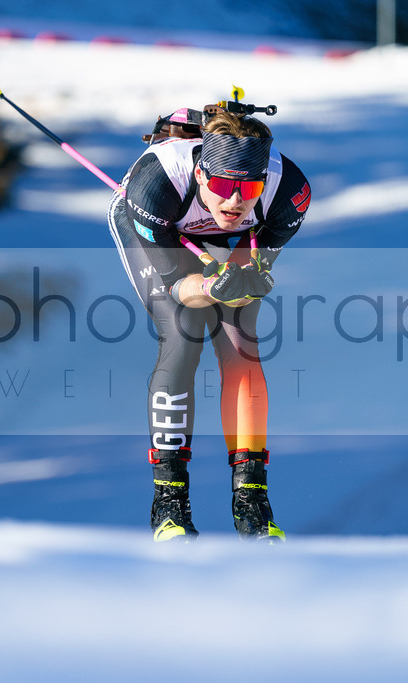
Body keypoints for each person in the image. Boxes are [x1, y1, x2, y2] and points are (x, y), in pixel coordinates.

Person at [106, 104, 312, 542]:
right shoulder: (155, 184)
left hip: (227, 239)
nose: (235, 201)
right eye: (222, 185)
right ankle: (169, 504)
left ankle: (252, 504)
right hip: (159, 224)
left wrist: (246, 281)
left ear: (264, 181)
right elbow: (178, 288)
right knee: (182, 335)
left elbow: (252, 272)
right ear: (201, 174)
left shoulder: (289, 192)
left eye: (249, 187)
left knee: (240, 343)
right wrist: (212, 288)